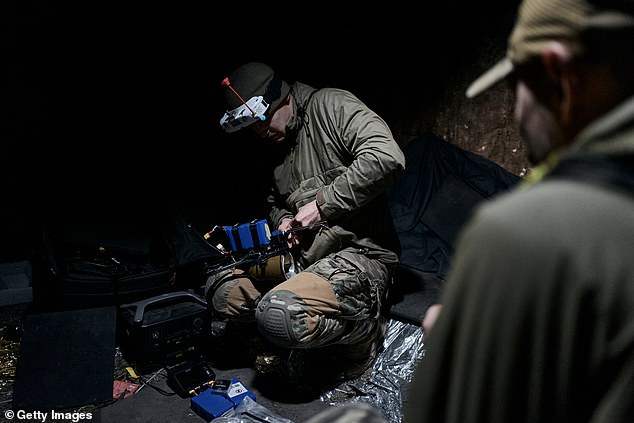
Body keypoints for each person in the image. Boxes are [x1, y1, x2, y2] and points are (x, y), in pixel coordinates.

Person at [403, 0, 634, 422]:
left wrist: (457, 359)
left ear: (560, 77)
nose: (517, 112)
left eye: (518, 88)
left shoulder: (522, 231)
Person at [205, 62, 406, 385]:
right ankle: (289, 337)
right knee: (222, 292)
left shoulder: (331, 105)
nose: (259, 131)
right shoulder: (275, 144)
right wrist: (284, 219)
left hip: (360, 255)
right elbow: (273, 203)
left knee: (280, 315)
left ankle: (364, 335)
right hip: (307, 258)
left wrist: (322, 206)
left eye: (262, 119)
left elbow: (386, 157)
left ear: (282, 98)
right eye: (251, 126)